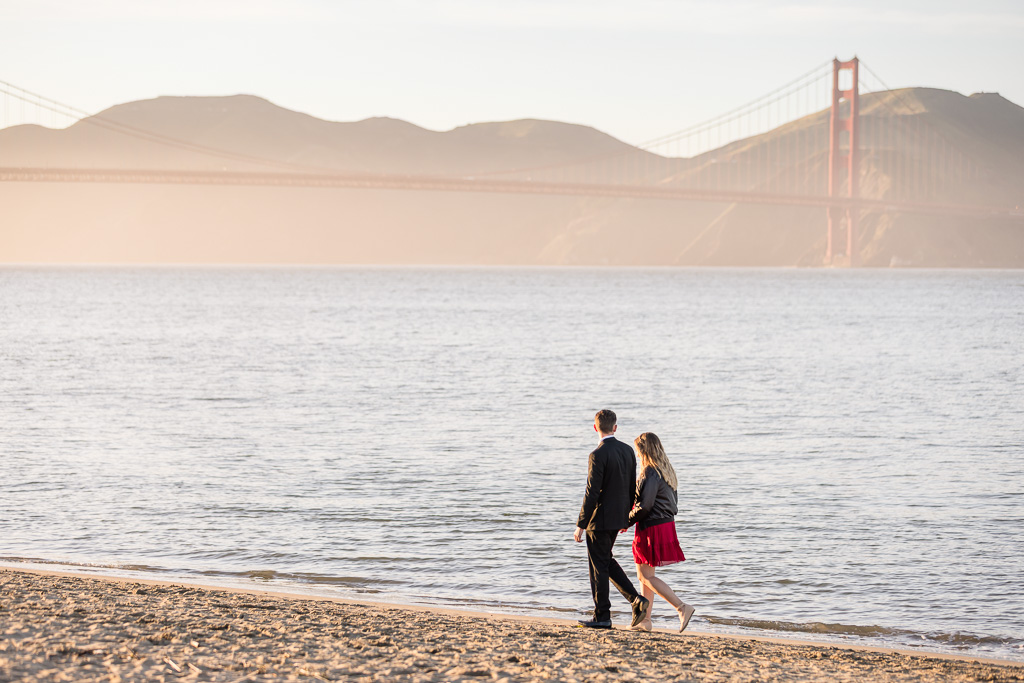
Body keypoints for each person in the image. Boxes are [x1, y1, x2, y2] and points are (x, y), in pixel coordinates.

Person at [574, 409, 650, 629]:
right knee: (605, 561)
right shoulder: (627, 451)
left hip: (598, 521)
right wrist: (626, 517)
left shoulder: (597, 455)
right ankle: (635, 600)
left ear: (595, 427)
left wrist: (581, 524)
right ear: (615, 427)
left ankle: (603, 616)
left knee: (598, 566)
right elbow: (631, 488)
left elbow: (591, 492)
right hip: (618, 518)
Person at [627, 432, 696, 632]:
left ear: (644, 451)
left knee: (645, 576)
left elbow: (645, 506)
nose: (638, 456)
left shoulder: (649, 471)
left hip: (651, 527)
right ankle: (645, 621)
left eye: (638, 452)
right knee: (645, 575)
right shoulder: (666, 471)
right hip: (664, 525)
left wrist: (626, 520)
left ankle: (682, 607)